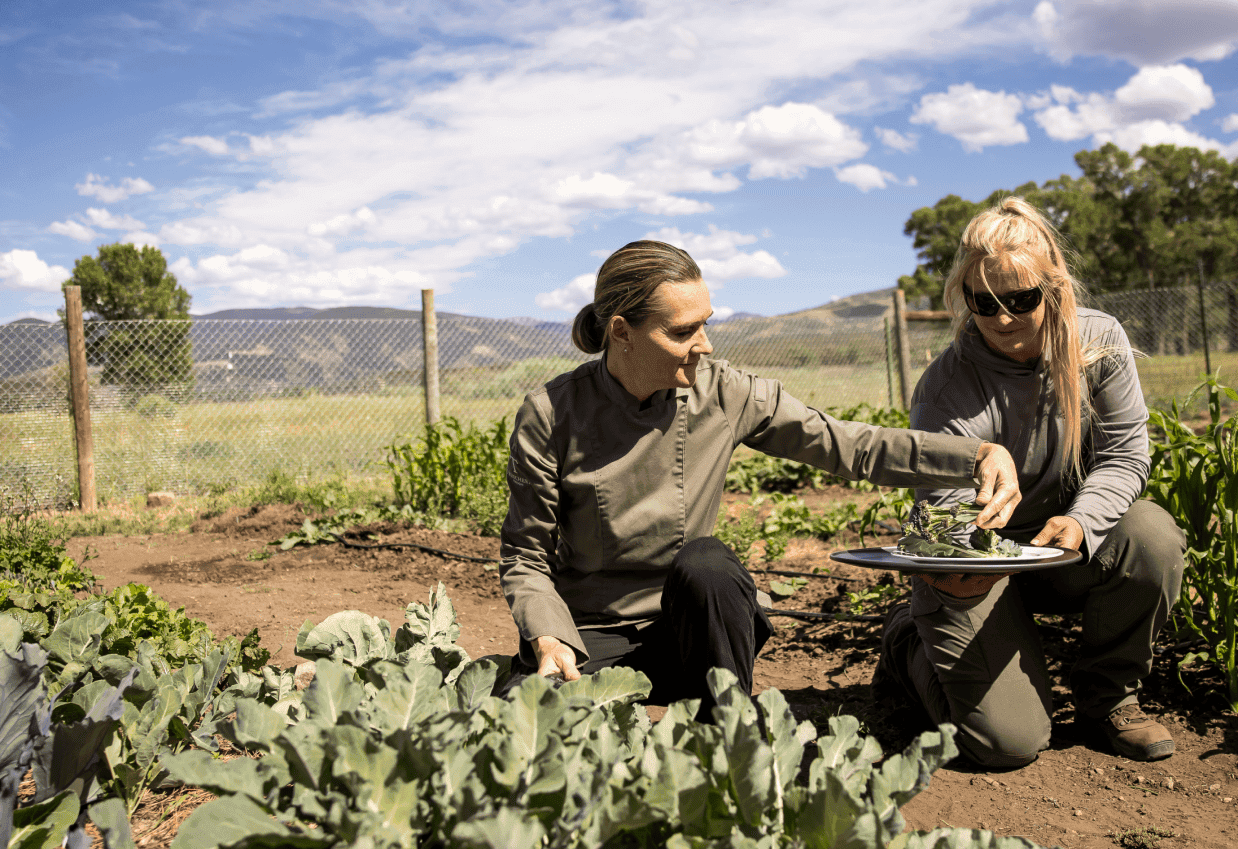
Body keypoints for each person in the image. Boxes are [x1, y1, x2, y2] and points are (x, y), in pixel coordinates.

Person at [500, 239, 1021, 718]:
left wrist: (973, 455)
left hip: (699, 636)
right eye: (682, 332)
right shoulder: (552, 414)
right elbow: (526, 556)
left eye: (705, 324)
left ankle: (727, 726)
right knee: (523, 721)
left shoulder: (725, 393)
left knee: (708, 563)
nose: (703, 345)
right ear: (621, 332)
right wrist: (549, 639)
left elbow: (849, 446)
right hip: (593, 637)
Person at [872, 197, 1186, 766]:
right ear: (964, 299)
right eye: (983, 303)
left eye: (1021, 299)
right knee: (1006, 744)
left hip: (1058, 548)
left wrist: (1082, 521)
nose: (1003, 318)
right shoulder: (947, 389)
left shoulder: (1099, 343)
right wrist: (960, 563)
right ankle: (907, 642)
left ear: (1055, 288)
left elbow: (1125, 454)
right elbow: (945, 507)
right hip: (980, 563)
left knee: (1151, 536)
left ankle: (1108, 698)